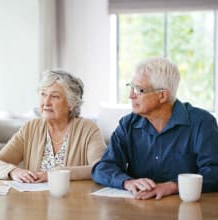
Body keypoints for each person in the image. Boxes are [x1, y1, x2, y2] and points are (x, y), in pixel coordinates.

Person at [91, 57, 218, 200]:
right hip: (139, 207)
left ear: (162, 95)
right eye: (131, 87)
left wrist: (171, 187)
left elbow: (213, 173)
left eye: (139, 90)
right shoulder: (128, 125)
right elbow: (103, 168)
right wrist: (127, 182)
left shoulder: (202, 123)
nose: (131, 96)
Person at [0, 70, 106, 183]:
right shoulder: (30, 128)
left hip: (74, 200)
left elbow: (101, 167)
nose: (46, 102)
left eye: (55, 96)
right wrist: (13, 171)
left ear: (71, 104)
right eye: (43, 94)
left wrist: (57, 174)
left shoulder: (88, 129)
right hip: (35, 201)